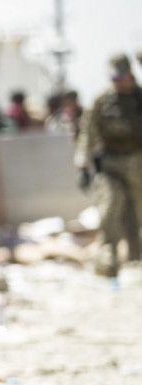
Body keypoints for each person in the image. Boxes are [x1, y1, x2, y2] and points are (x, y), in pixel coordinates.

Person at [75, 53, 142, 277]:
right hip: (111, 163)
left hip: (138, 161)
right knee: (110, 207)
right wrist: (82, 164)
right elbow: (87, 131)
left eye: (120, 75)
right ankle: (108, 260)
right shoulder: (102, 100)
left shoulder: (138, 97)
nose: (116, 81)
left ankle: (136, 256)